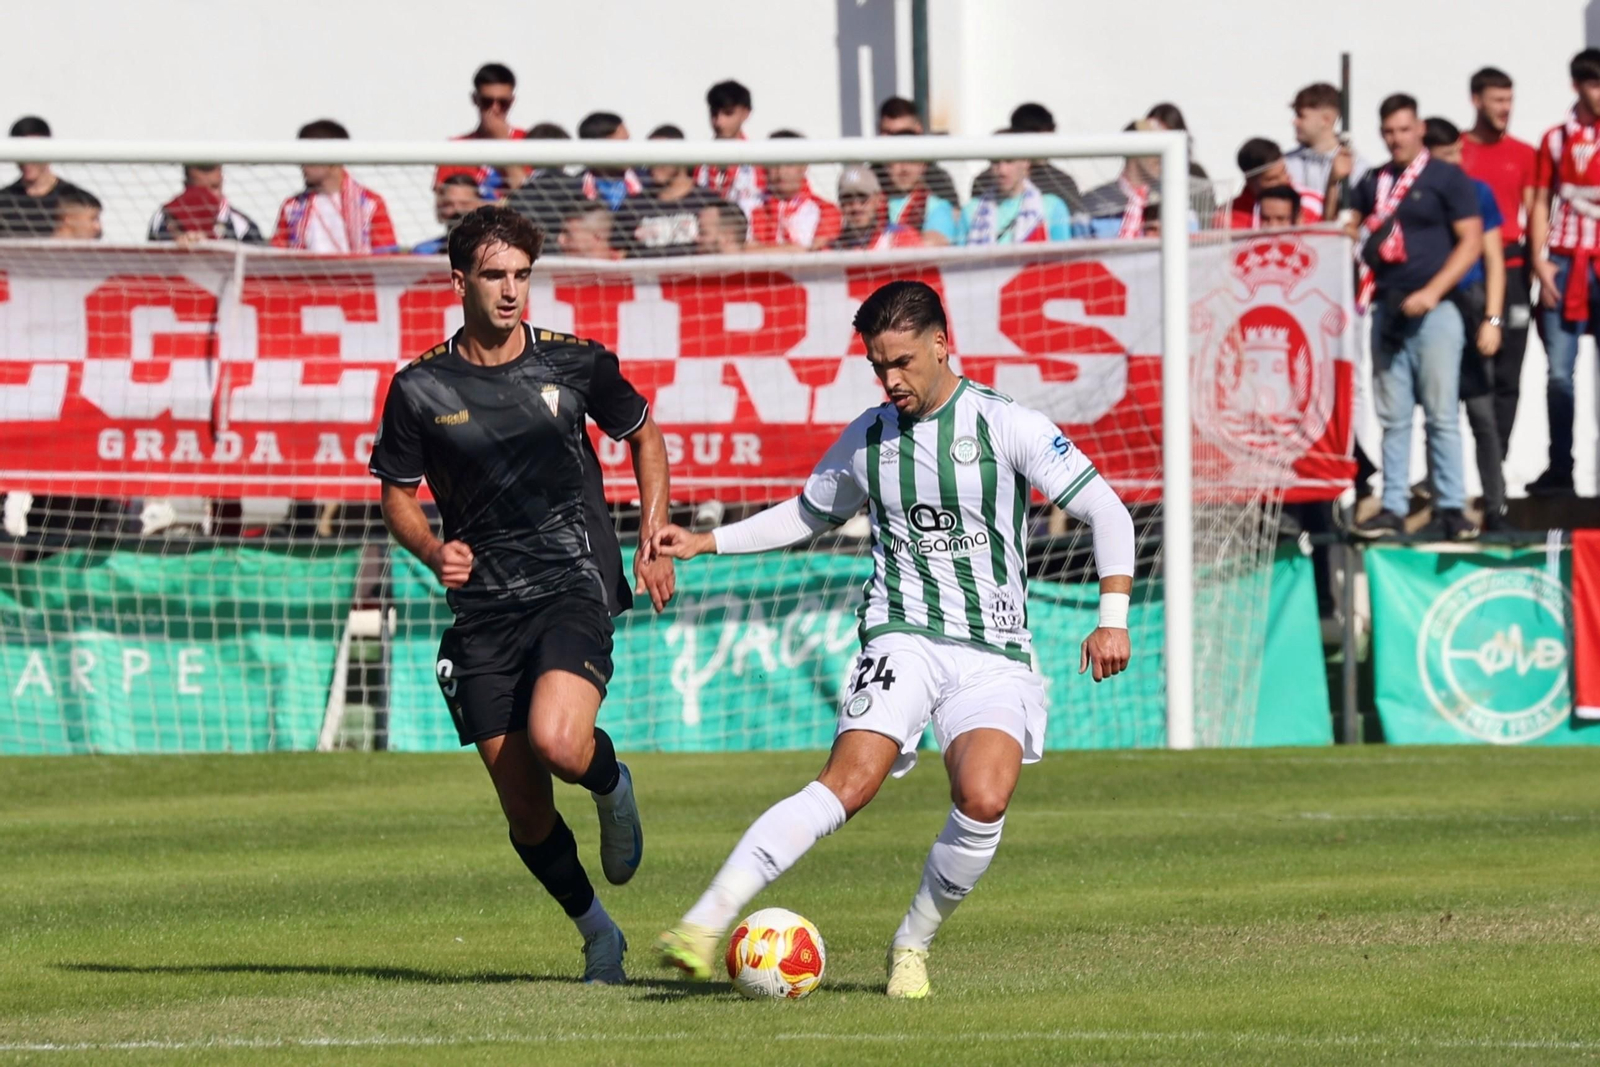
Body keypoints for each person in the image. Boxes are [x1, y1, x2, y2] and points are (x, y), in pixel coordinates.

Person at [653, 280, 1135, 998]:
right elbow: (805, 513)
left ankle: (911, 943)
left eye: (903, 362)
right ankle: (704, 920)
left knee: (985, 796)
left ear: (944, 344)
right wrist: (705, 542)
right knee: (849, 782)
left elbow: (1106, 508)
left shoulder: (1008, 425)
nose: (890, 380)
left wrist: (1113, 616)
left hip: (993, 650)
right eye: (878, 366)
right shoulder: (870, 437)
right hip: (902, 633)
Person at [368, 205, 675, 984]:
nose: (511, 291)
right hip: (483, 610)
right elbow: (397, 494)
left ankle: (612, 785)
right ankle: (598, 932)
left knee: (561, 743)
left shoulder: (574, 364)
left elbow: (642, 432)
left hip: (571, 580)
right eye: (495, 275)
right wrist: (435, 548)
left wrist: (651, 531)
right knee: (526, 810)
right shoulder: (419, 386)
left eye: (522, 276)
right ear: (460, 279)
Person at [1347, 95, 1483, 541]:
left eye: (1403, 130)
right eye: (1388, 132)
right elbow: (1347, 226)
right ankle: (1393, 505)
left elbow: (1471, 242)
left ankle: (1450, 506)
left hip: (1436, 311)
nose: (1396, 139)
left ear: (1419, 128)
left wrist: (1433, 291)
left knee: (1442, 414)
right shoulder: (1373, 180)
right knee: (1394, 416)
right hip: (1388, 309)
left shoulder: (1447, 177)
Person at [1425, 117, 1508, 531]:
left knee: (1482, 415)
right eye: (1445, 157)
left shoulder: (1477, 192)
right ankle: (1444, 507)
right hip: (1433, 308)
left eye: (1458, 153)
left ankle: (1496, 507)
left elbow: (1494, 259)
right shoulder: (1421, 195)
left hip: (1472, 304)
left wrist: (1492, 319)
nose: (1456, 163)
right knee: (1438, 414)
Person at [1527, 48, 1600, 498]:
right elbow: (1538, 201)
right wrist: (1539, 258)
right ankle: (1560, 469)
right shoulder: (1555, 139)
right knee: (1558, 373)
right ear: (1577, 86)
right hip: (1566, 261)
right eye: (1593, 84)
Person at [1459, 67, 1535, 472]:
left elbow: (1536, 211)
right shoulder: (1458, 150)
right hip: (1468, 272)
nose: (1506, 109)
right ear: (1477, 100)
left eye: (1509, 100)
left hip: (1514, 268)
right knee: (1467, 372)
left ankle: (1495, 467)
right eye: (1497, 100)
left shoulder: (1525, 154)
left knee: (1509, 372)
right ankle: (1450, 473)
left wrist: (1539, 265)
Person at [271, 120, 398, 253]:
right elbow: (276, 259)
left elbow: (386, 258)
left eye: (308, 156)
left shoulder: (370, 204)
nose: (302, 164)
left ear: (333, 156)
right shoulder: (292, 207)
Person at [614, 125, 726, 257]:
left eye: (660, 154)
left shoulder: (709, 202)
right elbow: (617, 256)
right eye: (649, 156)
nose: (653, 162)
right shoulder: (632, 205)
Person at [435, 63, 527, 200]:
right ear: (475, 99)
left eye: (503, 103)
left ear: (512, 101)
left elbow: (533, 200)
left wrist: (504, 144)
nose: (495, 109)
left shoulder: (529, 141)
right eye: (487, 102)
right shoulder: (455, 148)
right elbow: (444, 209)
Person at [964, 131, 1072, 244]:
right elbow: (960, 261)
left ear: (1026, 161)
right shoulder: (970, 211)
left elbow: (1062, 259)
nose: (1002, 171)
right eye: (995, 162)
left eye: (1009, 161)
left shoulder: (1052, 206)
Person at [0, 117, 100, 238]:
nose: (26, 160)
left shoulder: (75, 200)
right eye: (20, 152)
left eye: (32, 151)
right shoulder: (3, 200)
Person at [748, 131, 841, 250]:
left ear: (804, 166)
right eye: (774, 163)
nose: (781, 172)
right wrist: (792, 250)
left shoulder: (826, 211)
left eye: (789, 164)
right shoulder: (749, 207)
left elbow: (816, 255)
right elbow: (740, 251)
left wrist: (762, 250)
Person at [1286, 82, 1370, 210]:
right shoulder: (1285, 164)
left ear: (1326, 120)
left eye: (1301, 116)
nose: (1294, 122)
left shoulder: (1357, 169)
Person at [1080, 120, 1163, 238]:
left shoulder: (1174, 207)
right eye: (1153, 147)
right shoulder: (1092, 202)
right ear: (1131, 148)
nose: (1160, 157)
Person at [875, 97, 962, 207]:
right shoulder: (870, 178)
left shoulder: (937, 179)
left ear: (918, 131)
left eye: (904, 134)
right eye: (888, 134)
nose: (896, 141)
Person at [695, 80, 765, 215]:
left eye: (728, 113)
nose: (719, 122)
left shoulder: (759, 162)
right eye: (714, 114)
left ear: (746, 113)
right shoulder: (699, 161)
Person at [148, 164, 264, 243]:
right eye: (202, 190)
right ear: (187, 186)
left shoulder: (242, 227)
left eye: (214, 187)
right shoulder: (163, 218)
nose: (210, 196)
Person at [881, 133, 961, 245]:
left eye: (911, 159)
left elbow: (933, 246)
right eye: (897, 159)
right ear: (887, 166)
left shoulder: (937, 207)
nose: (904, 168)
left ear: (923, 165)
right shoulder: (872, 203)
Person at [1226, 138, 1324, 228]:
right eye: (1272, 179)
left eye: (1284, 171)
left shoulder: (1314, 203)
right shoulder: (1229, 217)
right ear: (1250, 181)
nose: (1284, 181)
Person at [832, 165, 921, 250]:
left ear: (877, 200)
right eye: (848, 199)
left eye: (863, 197)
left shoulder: (900, 237)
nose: (856, 207)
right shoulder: (833, 247)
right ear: (840, 203)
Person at [575, 112, 643, 210]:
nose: (630, 149)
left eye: (629, 142)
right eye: (623, 144)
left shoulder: (647, 181)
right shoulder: (574, 188)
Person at [413, 174, 483, 254]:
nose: (457, 210)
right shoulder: (423, 252)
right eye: (449, 204)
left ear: (479, 205)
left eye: (464, 204)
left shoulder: (494, 250)